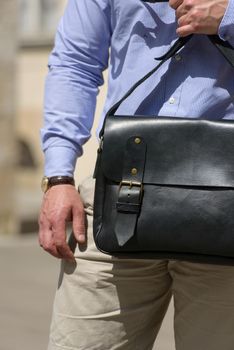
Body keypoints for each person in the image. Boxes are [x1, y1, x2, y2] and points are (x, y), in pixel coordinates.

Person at [39, 0, 234, 349]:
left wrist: (229, 18)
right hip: (118, 198)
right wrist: (58, 177)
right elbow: (75, 64)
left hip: (228, 205)